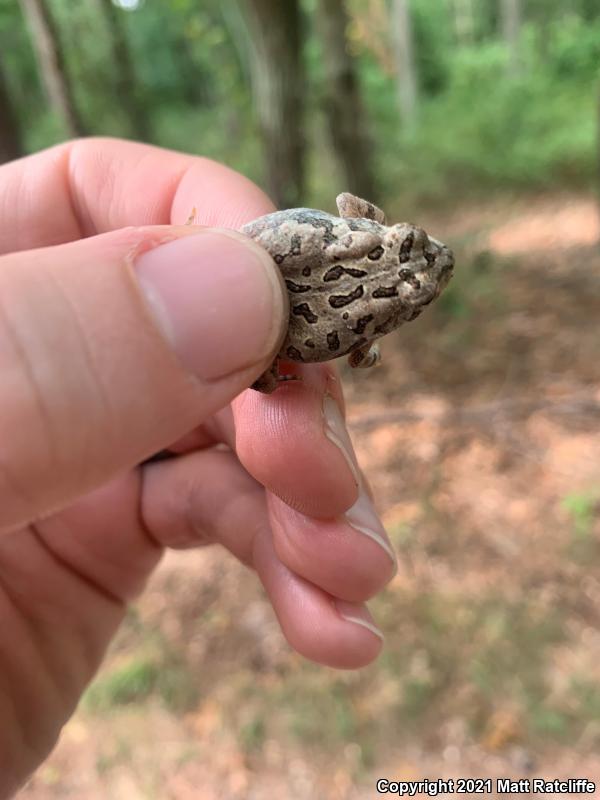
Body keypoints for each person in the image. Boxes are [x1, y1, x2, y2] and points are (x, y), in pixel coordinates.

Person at [0, 138, 396, 796]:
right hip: (272, 280)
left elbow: (357, 311)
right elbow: (353, 227)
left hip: (288, 308)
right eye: (404, 245)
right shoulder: (366, 258)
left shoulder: (372, 298)